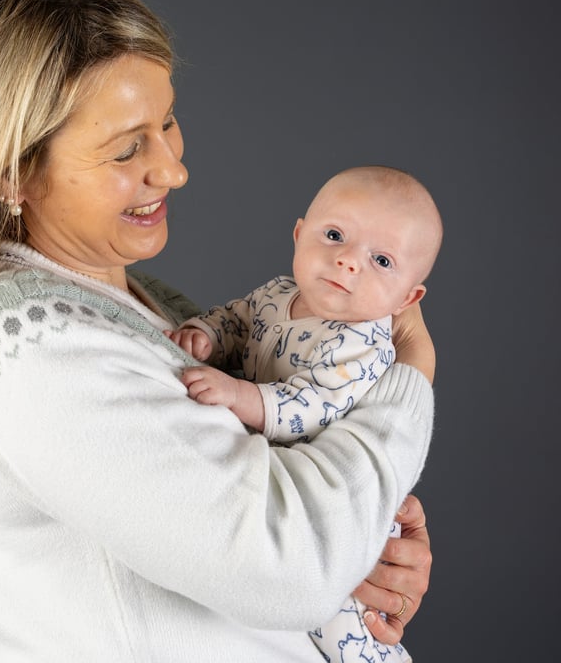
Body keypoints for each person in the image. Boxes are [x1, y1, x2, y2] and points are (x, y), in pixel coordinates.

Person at [0, 0, 436, 663]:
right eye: (127, 149)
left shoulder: (151, 311)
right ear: (13, 173)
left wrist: (368, 547)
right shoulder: (36, 351)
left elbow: (294, 530)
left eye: (168, 122)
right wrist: (408, 385)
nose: (174, 169)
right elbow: (292, 566)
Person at [169, 165, 443, 662]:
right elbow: (238, 318)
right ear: (299, 235)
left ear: (408, 298)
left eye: (381, 260)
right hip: (288, 503)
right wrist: (206, 334)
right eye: (334, 235)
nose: (348, 261)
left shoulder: (363, 342)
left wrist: (236, 394)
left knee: (347, 628)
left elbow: (311, 405)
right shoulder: (278, 294)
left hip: (343, 508)